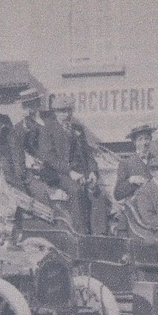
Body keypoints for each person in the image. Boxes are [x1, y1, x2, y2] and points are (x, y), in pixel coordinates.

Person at [38, 99, 104, 233]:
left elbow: (88, 154)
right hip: (58, 174)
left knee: (98, 194)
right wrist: (70, 172)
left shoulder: (78, 129)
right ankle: (81, 234)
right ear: (55, 113)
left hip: (80, 172)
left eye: (68, 111)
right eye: (62, 111)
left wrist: (92, 172)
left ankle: (100, 235)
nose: (66, 115)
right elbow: (49, 157)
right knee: (76, 191)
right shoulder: (47, 129)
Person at [11, 87, 51, 199]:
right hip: (36, 167)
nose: (31, 108)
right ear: (23, 107)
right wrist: (24, 126)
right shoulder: (19, 127)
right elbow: (18, 148)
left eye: (34, 103)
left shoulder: (49, 119)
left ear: (38, 103)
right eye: (27, 105)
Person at [113, 122, 155, 202]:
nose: (144, 143)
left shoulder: (157, 159)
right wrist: (131, 181)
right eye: (140, 139)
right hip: (139, 208)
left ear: (151, 139)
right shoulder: (126, 163)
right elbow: (117, 194)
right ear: (134, 142)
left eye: (147, 138)